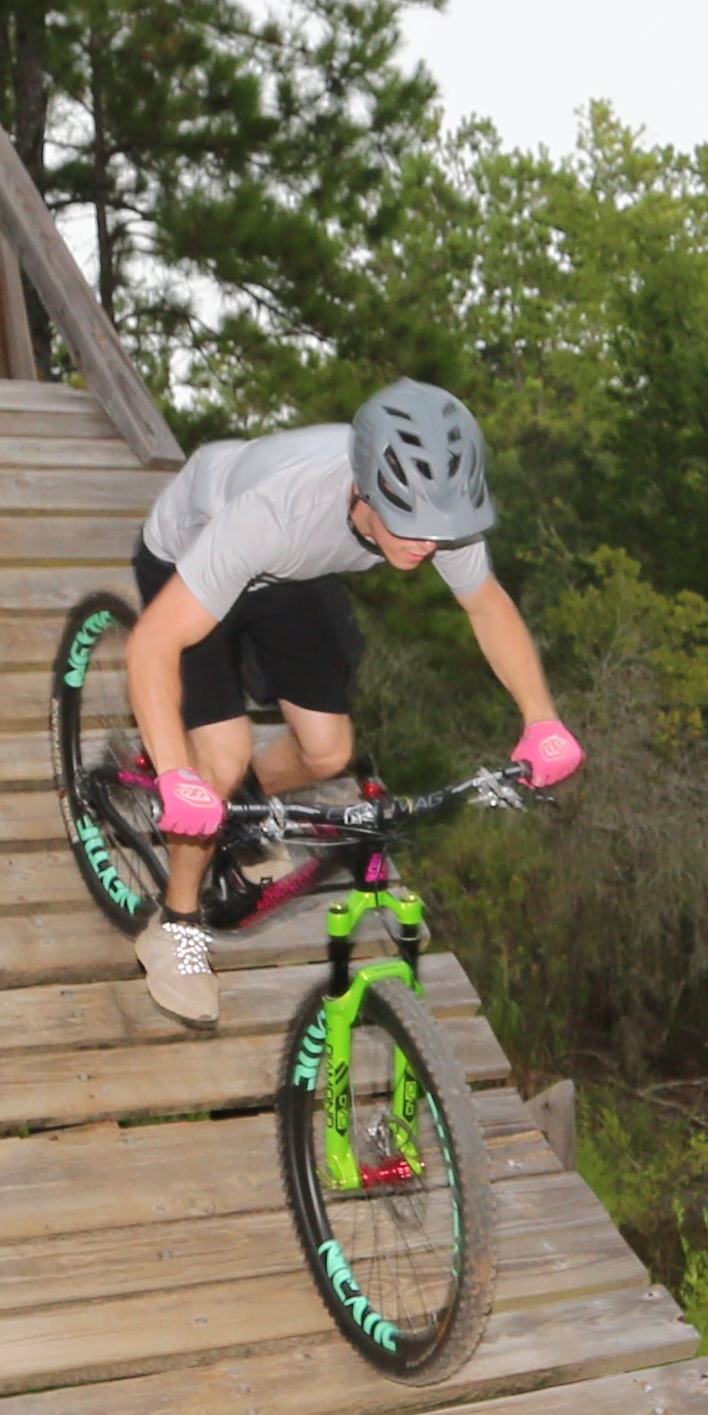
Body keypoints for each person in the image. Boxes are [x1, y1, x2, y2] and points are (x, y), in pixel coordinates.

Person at [122, 381, 583, 1024]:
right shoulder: (277, 512)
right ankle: (174, 924)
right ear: (361, 488)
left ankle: (232, 811)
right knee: (220, 760)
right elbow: (151, 647)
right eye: (408, 525)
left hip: (291, 572)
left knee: (329, 751)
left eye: (437, 531)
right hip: (197, 550)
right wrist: (178, 777)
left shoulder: (432, 509)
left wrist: (543, 720)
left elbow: (487, 605)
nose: (425, 547)